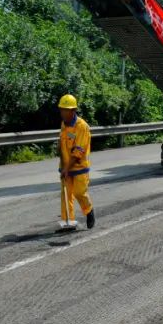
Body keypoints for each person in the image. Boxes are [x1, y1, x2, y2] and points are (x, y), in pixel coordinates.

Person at [57, 94, 95, 230]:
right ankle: (69, 222)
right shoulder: (64, 125)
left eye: (65, 110)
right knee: (66, 196)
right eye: (61, 109)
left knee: (80, 193)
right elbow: (63, 144)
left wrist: (67, 168)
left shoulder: (82, 126)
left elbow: (78, 151)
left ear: (73, 111)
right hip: (66, 167)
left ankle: (88, 210)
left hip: (79, 167)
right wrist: (63, 166)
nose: (62, 112)